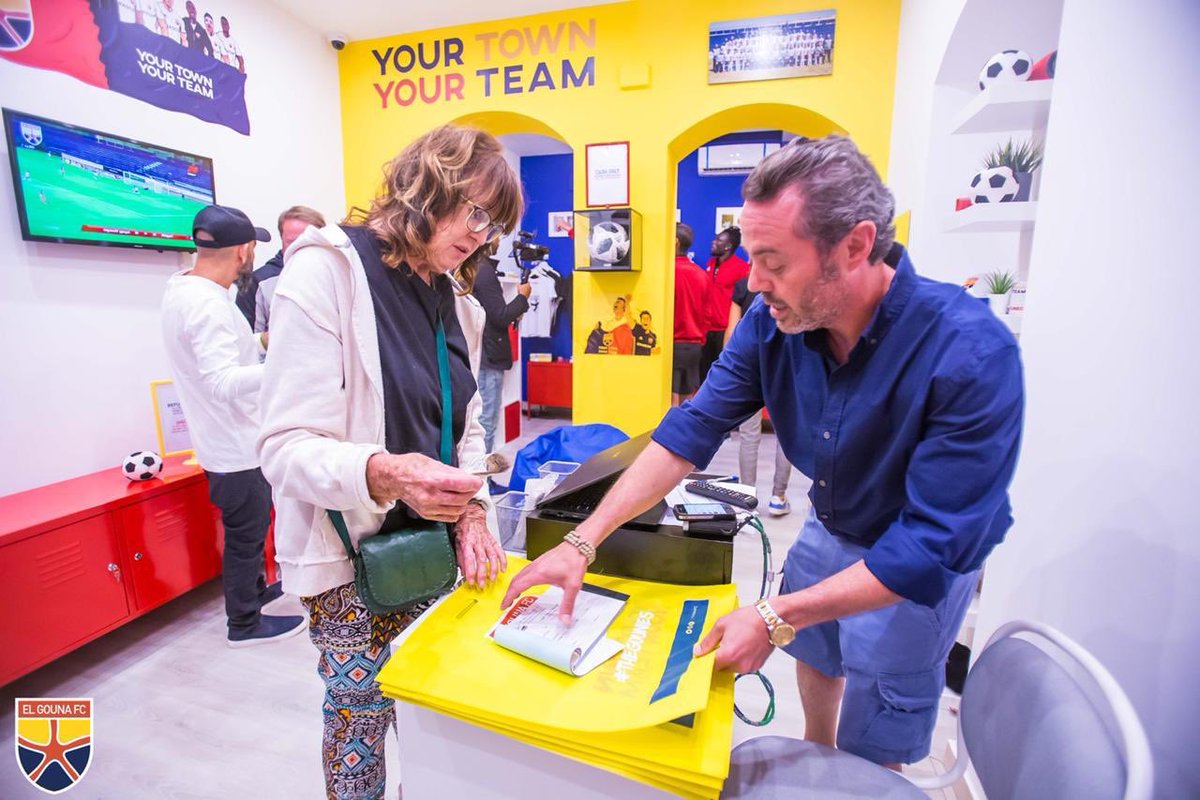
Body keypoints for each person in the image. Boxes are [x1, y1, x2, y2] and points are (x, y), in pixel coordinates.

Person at [503, 135, 1024, 771]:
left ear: (856, 246)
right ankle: (817, 752)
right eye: (752, 258)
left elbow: (926, 551)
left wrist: (774, 611)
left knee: (876, 729)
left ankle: (856, 779)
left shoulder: (971, 353)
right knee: (816, 654)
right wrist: (582, 541)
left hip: (911, 558)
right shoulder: (771, 322)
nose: (755, 282)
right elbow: (692, 430)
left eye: (774, 261)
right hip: (830, 525)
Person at [257, 124, 516, 800]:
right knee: (360, 724)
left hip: (434, 549)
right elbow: (284, 447)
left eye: (493, 224)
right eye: (474, 211)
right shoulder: (326, 270)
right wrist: (386, 471)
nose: (480, 234)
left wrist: (475, 512)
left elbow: (464, 428)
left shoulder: (455, 298)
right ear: (429, 183)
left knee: (436, 721)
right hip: (349, 560)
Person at [160, 204, 305, 647]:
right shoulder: (207, 306)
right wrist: (290, 364)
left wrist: (264, 341)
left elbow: (226, 357)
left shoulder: (184, 289)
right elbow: (223, 381)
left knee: (252, 528)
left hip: (227, 439)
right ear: (243, 251)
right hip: (235, 445)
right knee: (246, 536)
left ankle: (255, 594)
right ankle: (243, 622)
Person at [725, 274, 793, 515]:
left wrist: (728, 367)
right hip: (787, 369)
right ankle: (778, 496)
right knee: (786, 435)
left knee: (748, 436)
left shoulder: (744, 285)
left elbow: (733, 329)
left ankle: (746, 498)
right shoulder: (793, 283)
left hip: (750, 369)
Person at [470, 244, 531, 452]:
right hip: (489, 357)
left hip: (482, 353)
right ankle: (483, 479)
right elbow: (500, 315)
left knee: (483, 420)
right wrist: (523, 297)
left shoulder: (473, 267)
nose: (499, 242)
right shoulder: (483, 270)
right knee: (486, 422)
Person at [252, 205, 327, 341]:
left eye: (307, 242)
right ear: (282, 240)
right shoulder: (260, 281)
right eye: (292, 242)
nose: (299, 248)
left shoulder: (338, 277)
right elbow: (250, 345)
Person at [700, 225, 751, 382]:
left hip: (725, 329)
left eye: (718, 240)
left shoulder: (742, 268)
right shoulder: (711, 263)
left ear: (728, 246)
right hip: (707, 328)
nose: (714, 242)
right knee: (704, 373)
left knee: (723, 373)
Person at [672, 222, 709, 406]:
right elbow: (707, 313)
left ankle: (666, 435)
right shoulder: (702, 274)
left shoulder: (668, 273)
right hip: (694, 346)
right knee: (688, 401)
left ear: (675, 242)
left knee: (669, 402)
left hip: (672, 345)